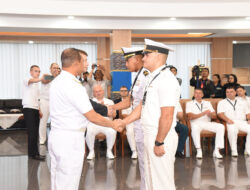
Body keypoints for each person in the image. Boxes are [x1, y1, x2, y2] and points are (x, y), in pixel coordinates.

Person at [48, 48, 123, 190]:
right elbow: (91, 116)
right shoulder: (73, 85)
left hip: (58, 136)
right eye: (85, 61)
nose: (87, 64)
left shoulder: (58, 81)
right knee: (69, 182)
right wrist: (112, 124)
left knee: (58, 181)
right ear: (76, 62)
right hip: (70, 139)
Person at [122, 39, 181, 190]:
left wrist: (159, 141)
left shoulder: (167, 79)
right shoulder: (152, 77)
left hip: (160, 135)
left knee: (161, 182)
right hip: (150, 133)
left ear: (157, 55)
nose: (143, 58)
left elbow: (167, 115)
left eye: (146, 55)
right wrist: (124, 122)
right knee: (150, 180)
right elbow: (143, 105)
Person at [111, 47, 148, 190]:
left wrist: (124, 121)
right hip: (138, 123)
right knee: (143, 164)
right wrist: (111, 107)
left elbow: (142, 105)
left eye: (128, 61)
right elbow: (129, 101)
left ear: (137, 59)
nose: (126, 65)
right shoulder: (137, 76)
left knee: (147, 163)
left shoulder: (146, 76)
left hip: (144, 124)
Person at [186, 88, 225, 159]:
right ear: (193, 94)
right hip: (195, 123)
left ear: (202, 94)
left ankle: (217, 150)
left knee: (221, 126)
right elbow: (190, 116)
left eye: (199, 93)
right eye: (196, 93)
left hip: (207, 123)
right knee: (194, 127)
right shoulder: (189, 103)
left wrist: (210, 115)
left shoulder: (207, 103)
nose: (198, 95)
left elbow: (214, 116)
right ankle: (199, 150)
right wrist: (203, 113)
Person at [86, 84, 117, 160]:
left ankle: (109, 151)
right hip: (94, 124)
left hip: (106, 123)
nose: (98, 93)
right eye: (96, 92)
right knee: (89, 130)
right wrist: (99, 108)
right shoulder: (90, 102)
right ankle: (91, 151)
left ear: (103, 92)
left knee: (112, 131)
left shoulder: (110, 101)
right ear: (93, 93)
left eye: (99, 91)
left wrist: (106, 108)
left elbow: (114, 115)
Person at [217, 86, 250, 157]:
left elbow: (248, 113)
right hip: (230, 121)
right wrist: (227, 120)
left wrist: (249, 119)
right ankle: (234, 150)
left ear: (235, 92)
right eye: (227, 92)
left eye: (231, 92)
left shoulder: (242, 102)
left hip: (242, 121)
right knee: (232, 130)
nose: (229, 93)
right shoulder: (222, 102)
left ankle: (248, 150)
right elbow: (220, 114)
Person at [22, 65, 45, 160]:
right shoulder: (26, 79)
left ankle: (35, 153)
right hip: (28, 109)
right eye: (36, 71)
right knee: (31, 132)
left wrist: (39, 110)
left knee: (35, 133)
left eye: (39, 71)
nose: (38, 73)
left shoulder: (37, 85)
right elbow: (32, 81)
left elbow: (38, 99)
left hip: (35, 109)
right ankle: (33, 154)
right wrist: (41, 78)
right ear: (31, 72)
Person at [39, 63, 60, 145]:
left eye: (57, 68)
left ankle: (55, 139)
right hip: (45, 101)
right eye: (54, 68)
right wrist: (55, 76)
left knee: (56, 122)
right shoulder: (46, 76)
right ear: (50, 69)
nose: (56, 69)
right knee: (43, 121)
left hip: (55, 102)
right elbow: (44, 81)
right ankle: (42, 139)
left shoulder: (60, 79)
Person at [114, 86, 138, 159]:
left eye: (125, 91)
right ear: (120, 92)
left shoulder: (134, 101)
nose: (124, 92)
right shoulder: (118, 102)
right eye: (122, 91)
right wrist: (132, 116)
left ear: (128, 92)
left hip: (137, 120)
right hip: (127, 121)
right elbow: (123, 115)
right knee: (130, 131)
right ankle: (134, 151)